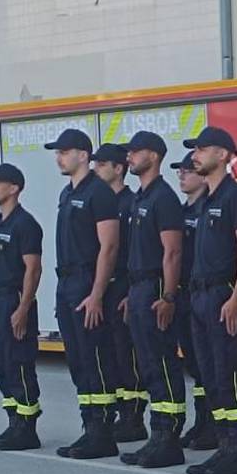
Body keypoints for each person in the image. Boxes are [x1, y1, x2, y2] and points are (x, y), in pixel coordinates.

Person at [182, 126, 237, 474]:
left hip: (221, 294)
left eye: (204, 149)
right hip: (199, 295)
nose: (196, 155)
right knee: (210, 374)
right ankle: (222, 444)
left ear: (225, 155)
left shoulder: (235, 197)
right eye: (195, 149)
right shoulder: (206, 199)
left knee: (228, 372)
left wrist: (236, 297)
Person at [46, 128, 121, 460]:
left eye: (64, 152)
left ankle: (103, 432)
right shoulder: (67, 193)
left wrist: (96, 294)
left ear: (82, 155)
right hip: (67, 283)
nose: (58, 157)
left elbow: (109, 246)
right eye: (57, 152)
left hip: (87, 283)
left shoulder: (98, 193)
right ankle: (88, 425)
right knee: (77, 360)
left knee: (96, 359)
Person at [116, 131, 189, 468]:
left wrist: (169, 296)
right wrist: (131, 294)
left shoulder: (163, 198)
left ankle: (168, 437)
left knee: (161, 363)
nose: (129, 156)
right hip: (138, 286)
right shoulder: (137, 199)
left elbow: (172, 251)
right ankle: (155, 434)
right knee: (147, 365)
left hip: (157, 288)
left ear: (154, 155)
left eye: (136, 151)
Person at [0, 163, 44, 451]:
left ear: (14, 188)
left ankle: (28, 428)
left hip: (14, 299)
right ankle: (13, 421)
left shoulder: (24, 224)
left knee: (18, 362)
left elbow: (33, 269)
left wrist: (23, 308)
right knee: (2, 364)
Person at [93, 142, 147, 443]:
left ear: (118, 168)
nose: (97, 169)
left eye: (102, 164)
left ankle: (134, 417)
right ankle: (116, 412)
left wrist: (129, 291)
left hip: (124, 288)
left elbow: (131, 252)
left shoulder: (130, 202)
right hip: (103, 287)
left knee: (128, 356)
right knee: (109, 355)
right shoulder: (97, 201)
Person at [172, 150, 217, 452]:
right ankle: (202, 420)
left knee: (211, 364)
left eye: (187, 170)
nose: (182, 175)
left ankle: (214, 423)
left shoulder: (207, 208)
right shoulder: (181, 210)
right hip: (185, 293)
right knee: (196, 364)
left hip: (204, 293)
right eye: (180, 171)